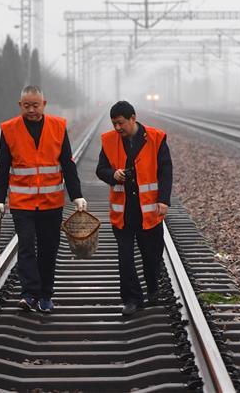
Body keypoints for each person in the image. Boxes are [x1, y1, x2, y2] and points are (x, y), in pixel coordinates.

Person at [0, 84, 86, 313]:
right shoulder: (10, 129)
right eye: (26, 106)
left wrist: (77, 195)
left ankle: (45, 295)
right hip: (22, 203)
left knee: (48, 249)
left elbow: (67, 163)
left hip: (51, 203)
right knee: (25, 247)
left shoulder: (58, 126)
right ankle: (29, 294)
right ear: (20, 105)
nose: (31, 110)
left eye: (35, 105)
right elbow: (2, 166)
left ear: (44, 104)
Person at [96, 100, 172, 317]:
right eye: (114, 124)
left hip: (149, 212)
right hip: (123, 213)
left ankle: (153, 287)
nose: (117, 128)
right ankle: (131, 299)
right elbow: (100, 169)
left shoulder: (156, 138)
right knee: (125, 257)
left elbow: (165, 171)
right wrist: (113, 175)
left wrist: (164, 200)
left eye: (120, 123)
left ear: (133, 118)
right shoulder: (109, 140)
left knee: (152, 256)